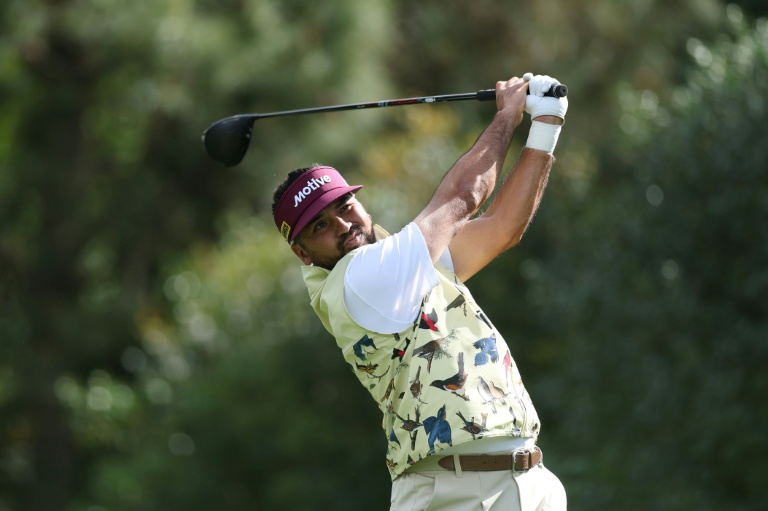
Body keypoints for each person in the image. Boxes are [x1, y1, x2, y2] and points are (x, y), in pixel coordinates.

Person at [271, 74, 568, 510]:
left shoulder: (401, 264)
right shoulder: (359, 278)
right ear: (302, 253)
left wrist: (546, 124)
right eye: (320, 226)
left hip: (522, 479)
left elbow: (501, 228)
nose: (344, 225)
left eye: (345, 207)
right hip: (456, 491)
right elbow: (463, 195)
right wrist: (508, 115)